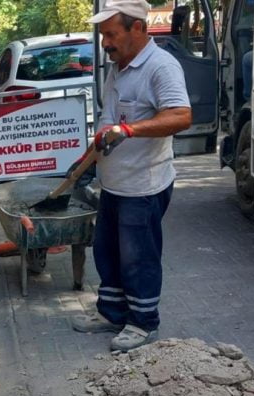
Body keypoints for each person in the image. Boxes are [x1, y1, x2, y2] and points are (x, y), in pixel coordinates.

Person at [70, 0, 192, 352]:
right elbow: (108, 125)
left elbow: (182, 116)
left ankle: (142, 323)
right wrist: (87, 160)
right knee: (107, 251)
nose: (105, 42)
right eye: (103, 35)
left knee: (138, 256)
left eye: (111, 34)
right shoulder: (118, 67)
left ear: (138, 28)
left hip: (144, 185)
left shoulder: (160, 67)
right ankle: (111, 313)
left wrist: (130, 129)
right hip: (114, 183)